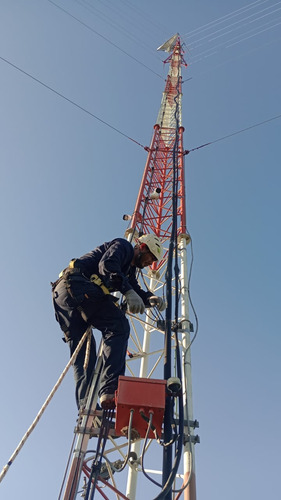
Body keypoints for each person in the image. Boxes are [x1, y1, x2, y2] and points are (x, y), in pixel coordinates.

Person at [51, 234, 166, 410]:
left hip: (64, 296)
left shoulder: (128, 271)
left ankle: (86, 406)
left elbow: (134, 288)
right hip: (78, 286)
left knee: (84, 353)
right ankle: (110, 389)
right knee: (118, 326)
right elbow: (107, 265)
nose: (150, 264)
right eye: (151, 258)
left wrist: (150, 298)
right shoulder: (124, 247)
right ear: (142, 248)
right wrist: (127, 291)